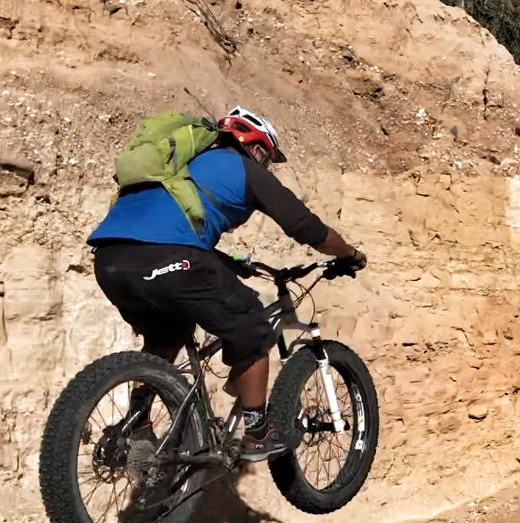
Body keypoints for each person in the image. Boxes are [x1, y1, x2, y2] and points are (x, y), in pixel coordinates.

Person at [87, 106, 366, 461]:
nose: (264, 165)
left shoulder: (177, 170)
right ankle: (258, 433)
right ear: (255, 146)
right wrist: (348, 253)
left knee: (167, 335)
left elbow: (164, 233)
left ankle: (137, 423)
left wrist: (228, 263)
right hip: (167, 256)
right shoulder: (241, 167)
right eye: (266, 156)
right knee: (252, 325)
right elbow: (305, 227)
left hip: (110, 260)